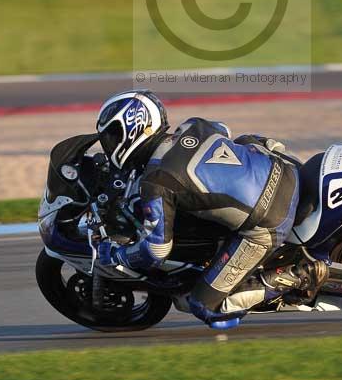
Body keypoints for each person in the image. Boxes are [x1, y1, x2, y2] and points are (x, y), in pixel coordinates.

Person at [95, 89, 316, 329]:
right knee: (242, 141)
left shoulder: (156, 182)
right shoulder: (192, 126)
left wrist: (117, 255)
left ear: (134, 129)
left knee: (204, 306)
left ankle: (298, 275)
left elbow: (156, 250)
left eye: (113, 135)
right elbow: (223, 130)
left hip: (269, 220)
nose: (110, 144)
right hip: (285, 168)